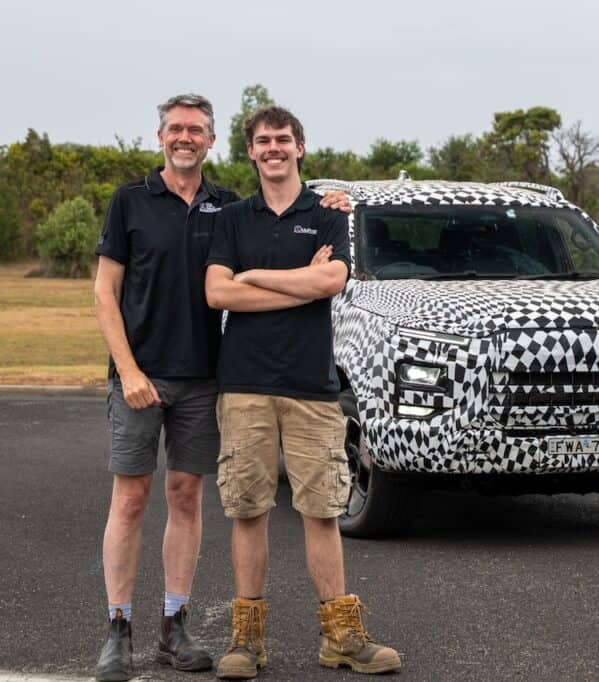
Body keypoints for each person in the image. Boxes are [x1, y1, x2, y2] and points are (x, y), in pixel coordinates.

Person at [93, 94, 350, 682]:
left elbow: (306, 272)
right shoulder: (130, 201)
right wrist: (128, 371)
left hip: (208, 378)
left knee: (187, 498)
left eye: (197, 130)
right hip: (141, 376)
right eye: (176, 128)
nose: (185, 137)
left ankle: (174, 626)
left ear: (211, 142)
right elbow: (107, 292)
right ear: (161, 136)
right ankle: (116, 628)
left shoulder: (226, 208)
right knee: (130, 500)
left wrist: (335, 205)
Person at [205, 105, 401, 679]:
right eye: (263, 140)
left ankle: (341, 636)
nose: (273, 148)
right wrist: (297, 285)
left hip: (313, 386)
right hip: (244, 385)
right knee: (249, 510)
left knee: (321, 510)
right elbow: (217, 293)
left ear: (300, 148)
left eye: (283, 139)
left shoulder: (327, 212)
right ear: (249, 151)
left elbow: (331, 281)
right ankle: (247, 642)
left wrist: (255, 276)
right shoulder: (233, 218)